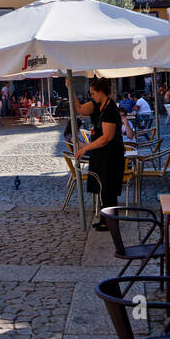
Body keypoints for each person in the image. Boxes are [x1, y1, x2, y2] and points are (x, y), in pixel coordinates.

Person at [74, 77, 124, 230]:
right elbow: (81, 110)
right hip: (100, 154)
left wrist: (85, 148)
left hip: (110, 155)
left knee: (108, 189)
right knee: (102, 187)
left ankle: (111, 222)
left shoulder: (110, 110)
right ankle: (104, 219)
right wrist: (72, 92)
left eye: (93, 93)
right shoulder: (97, 105)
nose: (91, 96)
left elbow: (106, 138)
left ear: (101, 92)